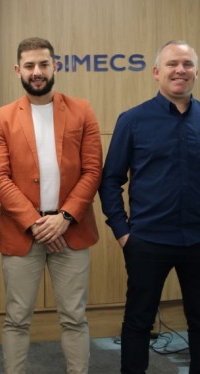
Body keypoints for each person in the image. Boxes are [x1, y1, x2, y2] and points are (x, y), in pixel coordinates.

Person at [0, 37, 103, 373]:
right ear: (17, 70)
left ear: (56, 66)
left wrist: (64, 217)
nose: (37, 72)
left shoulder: (82, 109)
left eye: (43, 64)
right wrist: (38, 223)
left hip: (72, 230)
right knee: (17, 318)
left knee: (74, 317)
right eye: (29, 66)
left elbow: (93, 170)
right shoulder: (2, 118)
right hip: (23, 233)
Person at [99, 40, 200, 374]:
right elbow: (110, 179)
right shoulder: (133, 120)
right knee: (139, 321)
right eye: (172, 64)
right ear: (157, 72)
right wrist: (123, 233)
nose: (180, 70)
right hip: (147, 242)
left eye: (187, 64)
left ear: (195, 72)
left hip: (198, 241)